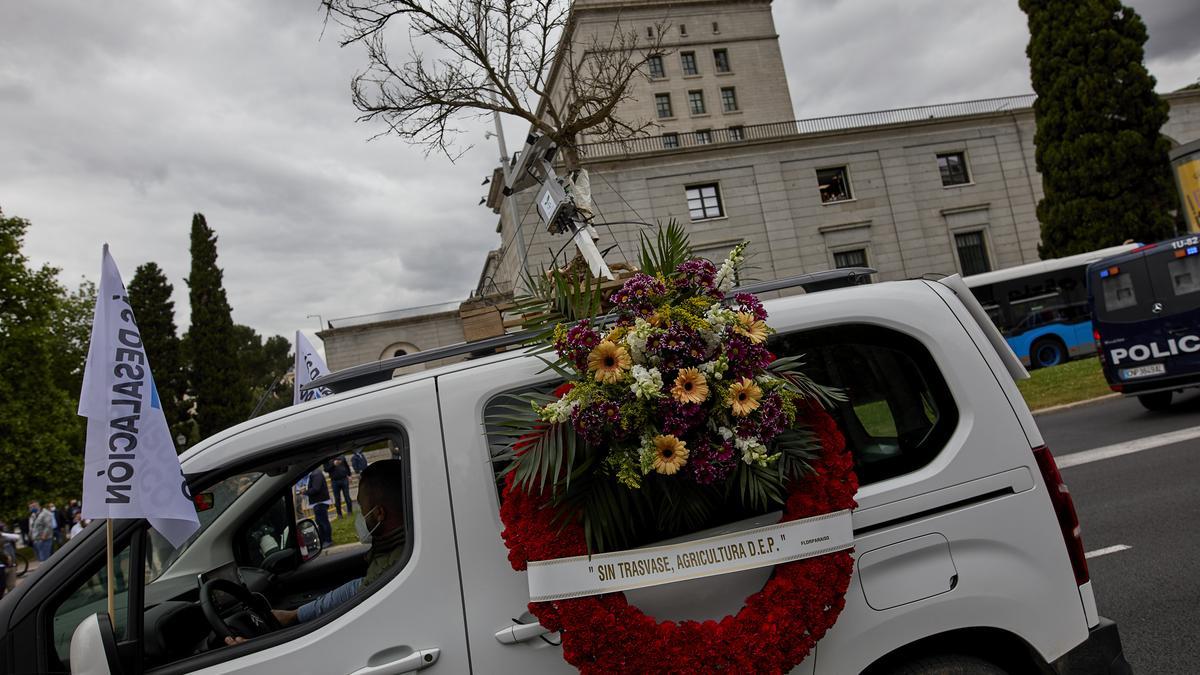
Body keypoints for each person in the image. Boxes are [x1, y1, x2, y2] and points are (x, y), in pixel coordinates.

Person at [225, 460, 406, 645]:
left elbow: (339, 637)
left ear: (379, 514)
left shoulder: (395, 565)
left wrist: (257, 650)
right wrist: (295, 615)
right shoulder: (394, 554)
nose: (360, 515)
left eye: (362, 507)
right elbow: (358, 589)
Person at [305, 467, 333, 548]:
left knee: (323, 522)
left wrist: (305, 492)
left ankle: (328, 540)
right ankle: (323, 540)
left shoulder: (316, 474)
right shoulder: (314, 473)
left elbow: (316, 488)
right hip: (318, 502)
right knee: (320, 522)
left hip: (320, 502)